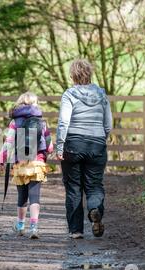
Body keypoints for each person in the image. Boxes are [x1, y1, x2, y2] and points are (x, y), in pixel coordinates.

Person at [56, 59, 112, 239]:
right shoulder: (101, 94)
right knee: (94, 185)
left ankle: (76, 231)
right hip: (96, 143)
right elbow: (108, 123)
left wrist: (60, 145)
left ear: (72, 75)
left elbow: (64, 122)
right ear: (90, 73)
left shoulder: (69, 94)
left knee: (73, 187)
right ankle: (95, 209)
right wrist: (101, 137)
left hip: (73, 144)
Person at [0, 92, 53, 239]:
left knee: (22, 197)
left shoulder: (15, 122)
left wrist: (2, 159)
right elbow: (49, 146)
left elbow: (8, 143)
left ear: (20, 104)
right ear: (36, 104)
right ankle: (34, 227)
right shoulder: (42, 122)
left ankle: (21, 226)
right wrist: (46, 153)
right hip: (36, 163)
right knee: (35, 197)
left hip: (20, 163)